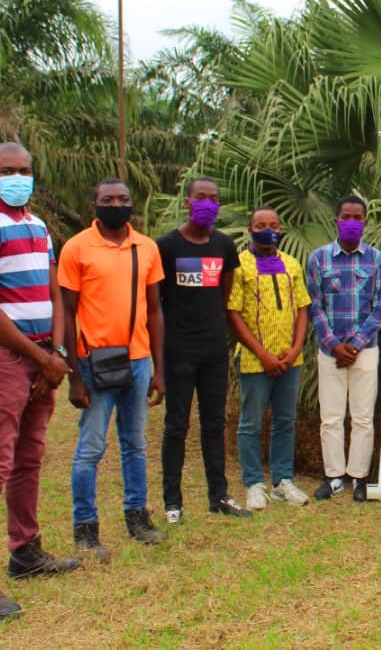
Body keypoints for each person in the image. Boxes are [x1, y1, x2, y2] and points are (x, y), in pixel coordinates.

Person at [0, 143, 78, 620]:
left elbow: (53, 293)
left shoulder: (37, 225)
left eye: (25, 170)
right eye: (8, 171)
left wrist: (58, 354)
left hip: (43, 358)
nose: (18, 177)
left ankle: (25, 551)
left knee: (29, 458)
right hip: (3, 359)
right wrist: (40, 357)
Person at [58, 179, 166, 559]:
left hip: (137, 361)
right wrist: (73, 374)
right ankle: (85, 528)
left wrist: (158, 368)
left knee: (135, 444)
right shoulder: (77, 248)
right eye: (108, 199)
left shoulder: (147, 247)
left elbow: (154, 310)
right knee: (90, 448)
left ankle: (137, 516)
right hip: (93, 362)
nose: (116, 204)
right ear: (95, 204)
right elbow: (67, 314)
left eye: (123, 199)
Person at [156, 177, 249, 523]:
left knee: (213, 424)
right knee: (176, 426)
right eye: (201, 197)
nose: (207, 203)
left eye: (214, 198)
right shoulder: (166, 246)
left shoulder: (224, 246)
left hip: (214, 352)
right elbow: (157, 302)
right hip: (178, 351)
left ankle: (219, 496)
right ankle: (172, 502)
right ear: (187, 202)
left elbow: (223, 297)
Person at [306, 195, 381, 502]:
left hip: (365, 351)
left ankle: (358, 477)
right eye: (346, 217)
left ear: (365, 222)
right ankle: (334, 476)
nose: (351, 222)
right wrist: (333, 344)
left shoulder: (377, 260)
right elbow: (314, 307)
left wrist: (354, 345)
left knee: (363, 417)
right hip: (330, 352)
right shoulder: (318, 259)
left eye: (357, 217)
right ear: (336, 220)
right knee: (330, 417)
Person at [227, 207, 312, 510]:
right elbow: (233, 313)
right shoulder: (238, 265)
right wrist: (262, 354)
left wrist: (295, 348)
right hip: (254, 359)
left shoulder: (292, 265)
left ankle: (282, 482)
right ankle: (253, 483)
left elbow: (303, 307)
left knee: (285, 421)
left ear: (281, 229)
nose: (268, 229)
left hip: (290, 358)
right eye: (261, 225)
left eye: (274, 224)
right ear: (250, 230)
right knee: (251, 423)